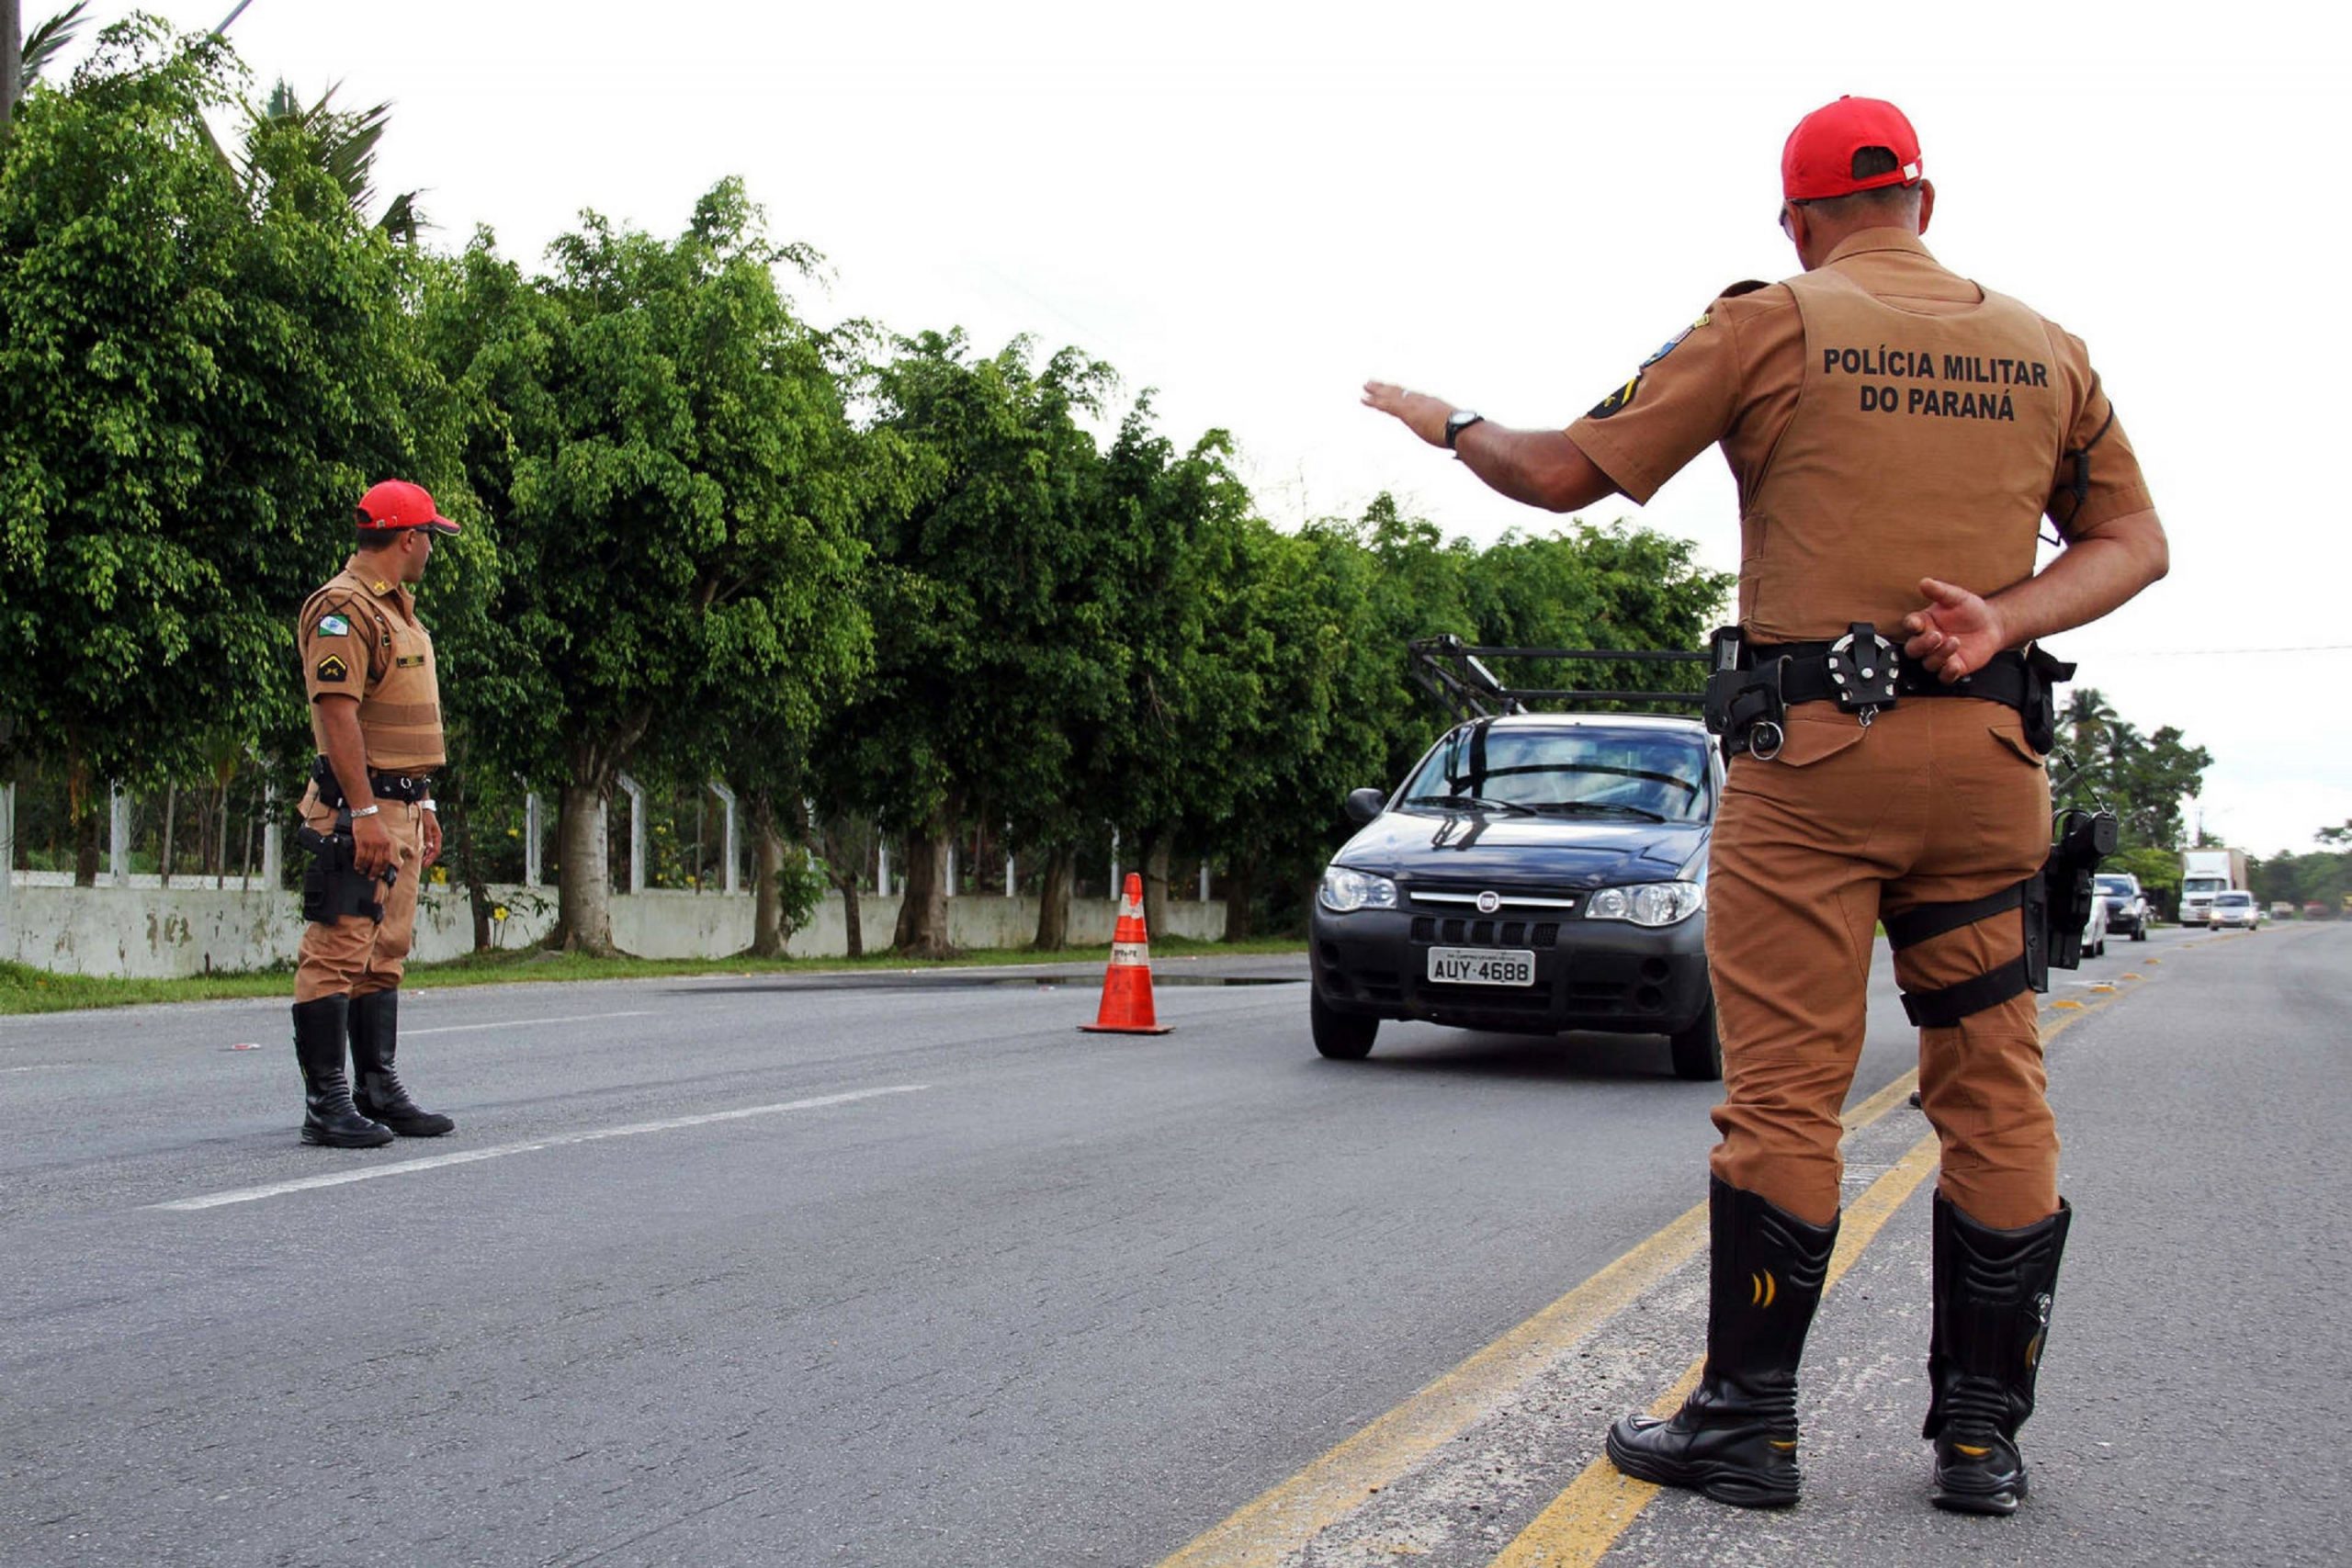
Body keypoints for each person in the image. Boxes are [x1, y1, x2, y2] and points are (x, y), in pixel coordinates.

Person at [1363, 96, 2166, 1515]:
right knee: (1993, 1088)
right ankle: (1981, 1436)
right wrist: (2004, 618)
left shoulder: (1773, 319)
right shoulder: (2050, 348)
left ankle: (1750, 1422)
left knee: (1789, 1089)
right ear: (1928, 203)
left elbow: (1559, 474)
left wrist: (1452, 424)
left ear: (1795, 216)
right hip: (1989, 769)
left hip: (1816, 772)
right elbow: (2137, 542)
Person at [288, 479, 462, 1148]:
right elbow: (338, 713)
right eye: (430, 539)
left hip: (400, 805)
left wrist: (422, 801)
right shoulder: (344, 607)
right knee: (337, 949)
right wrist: (363, 810)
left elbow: (395, 718)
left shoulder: (397, 610)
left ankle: (376, 1088)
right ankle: (327, 1102)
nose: (431, 550)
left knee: (384, 952)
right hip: (360, 808)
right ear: (408, 538)